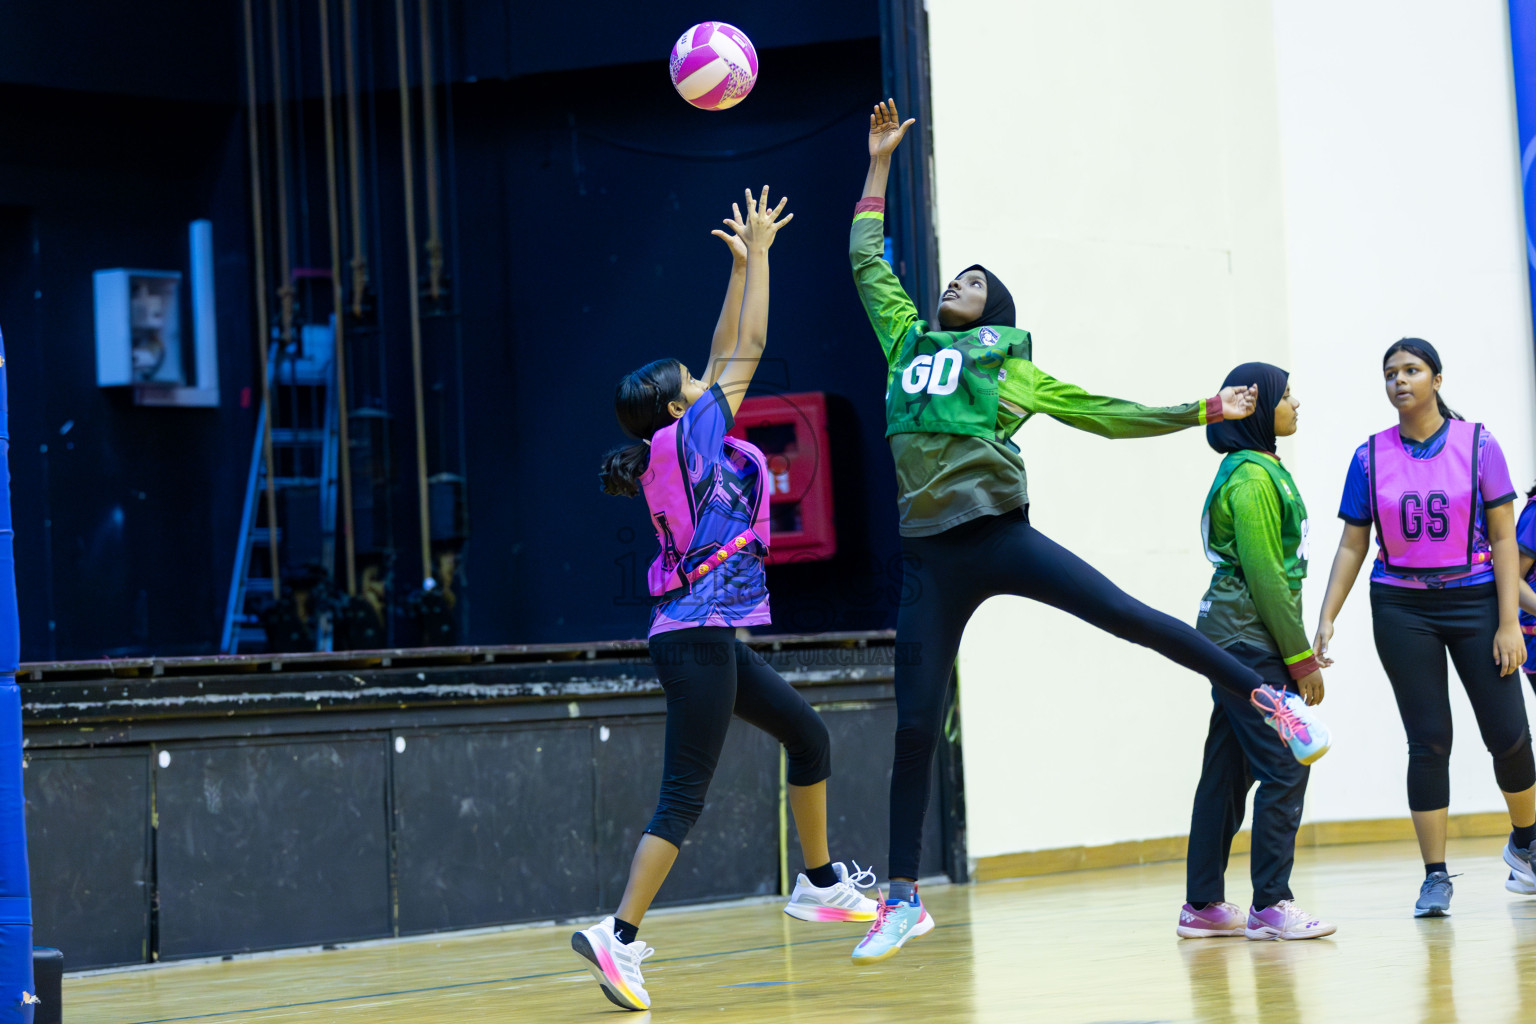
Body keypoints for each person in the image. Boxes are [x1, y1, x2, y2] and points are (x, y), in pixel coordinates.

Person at [848, 100, 1330, 963]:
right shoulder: (903, 341)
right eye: (952, 278)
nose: (954, 283)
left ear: (994, 308)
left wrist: (1197, 410)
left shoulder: (1009, 364)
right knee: (914, 724)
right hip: (927, 560)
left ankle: (1274, 705)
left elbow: (1103, 414)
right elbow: (863, 262)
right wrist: (880, 164)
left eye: (972, 281)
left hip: (998, 536)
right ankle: (902, 895)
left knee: (1133, 620)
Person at [571, 188, 875, 1012]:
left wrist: (737, 265)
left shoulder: (673, 439)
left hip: (704, 633)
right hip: (698, 635)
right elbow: (751, 342)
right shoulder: (694, 434)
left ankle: (817, 881)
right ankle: (619, 937)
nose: (706, 379)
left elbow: (722, 343)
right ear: (680, 406)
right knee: (684, 797)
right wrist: (765, 256)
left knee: (809, 739)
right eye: (693, 382)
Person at [1313, 338, 1530, 917]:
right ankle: (1435, 876)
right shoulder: (1370, 457)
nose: (1399, 381)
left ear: (1436, 378)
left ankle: (1527, 843)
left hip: (1476, 599)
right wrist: (1327, 615)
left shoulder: (1479, 444)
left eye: (1411, 370)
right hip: (1402, 607)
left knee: (1508, 734)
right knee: (1429, 740)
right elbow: (1353, 543)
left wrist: (1509, 620)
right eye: (1390, 373)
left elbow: (1506, 537)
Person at [1178, 363, 1335, 942]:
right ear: (1261, 405)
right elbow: (1267, 575)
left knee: (1227, 769)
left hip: (1239, 639)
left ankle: (1201, 906)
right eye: (1286, 395)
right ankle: (1271, 904)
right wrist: (1301, 660)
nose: (1296, 403)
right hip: (1247, 641)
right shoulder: (1249, 479)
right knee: (1286, 763)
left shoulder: (1262, 469)